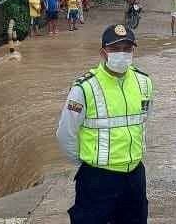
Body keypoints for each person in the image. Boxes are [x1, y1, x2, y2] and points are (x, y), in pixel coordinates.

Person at [56, 24, 153, 224]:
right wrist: (87, 162)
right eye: (115, 49)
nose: (122, 54)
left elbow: (144, 121)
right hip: (97, 179)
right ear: (103, 52)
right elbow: (65, 134)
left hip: (134, 176)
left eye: (127, 49)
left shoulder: (144, 82)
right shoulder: (85, 87)